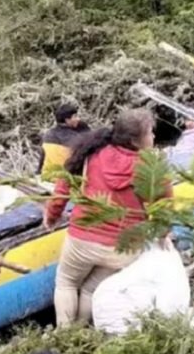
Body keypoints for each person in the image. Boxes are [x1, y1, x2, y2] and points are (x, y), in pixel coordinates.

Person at [43, 108, 172, 327]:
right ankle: (81, 330)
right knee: (90, 289)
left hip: (81, 238)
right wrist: (163, 233)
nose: (153, 137)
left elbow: (63, 186)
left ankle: (64, 334)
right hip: (122, 247)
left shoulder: (92, 151)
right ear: (135, 139)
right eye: (150, 132)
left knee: (66, 283)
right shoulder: (152, 167)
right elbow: (165, 207)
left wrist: (51, 216)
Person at [36, 103, 92, 182]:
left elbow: (42, 160)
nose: (78, 119)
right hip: (66, 181)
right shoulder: (76, 139)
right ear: (67, 120)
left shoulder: (47, 135)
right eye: (75, 116)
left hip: (47, 177)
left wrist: (38, 174)